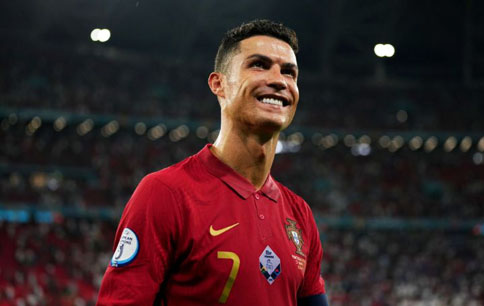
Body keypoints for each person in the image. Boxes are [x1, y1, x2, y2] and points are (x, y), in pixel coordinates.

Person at [97, 19, 328, 306]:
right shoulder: (165, 193)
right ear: (219, 84)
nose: (279, 80)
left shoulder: (300, 215)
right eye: (259, 65)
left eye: (289, 72)